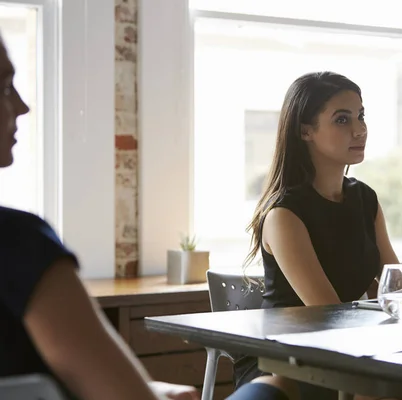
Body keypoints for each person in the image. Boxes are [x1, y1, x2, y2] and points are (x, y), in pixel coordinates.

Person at [0, 33, 292, 400]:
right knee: (279, 384)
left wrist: (154, 389)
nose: (22, 106)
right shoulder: (17, 242)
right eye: (4, 86)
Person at [235, 71, 402, 400]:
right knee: (387, 386)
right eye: (342, 119)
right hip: (289, 359)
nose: (360, 129)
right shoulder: (284, 214)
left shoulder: (365, 199)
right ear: (305, 131)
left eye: (361, 116)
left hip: (351, 348)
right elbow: (331, 314)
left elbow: (394, 287)